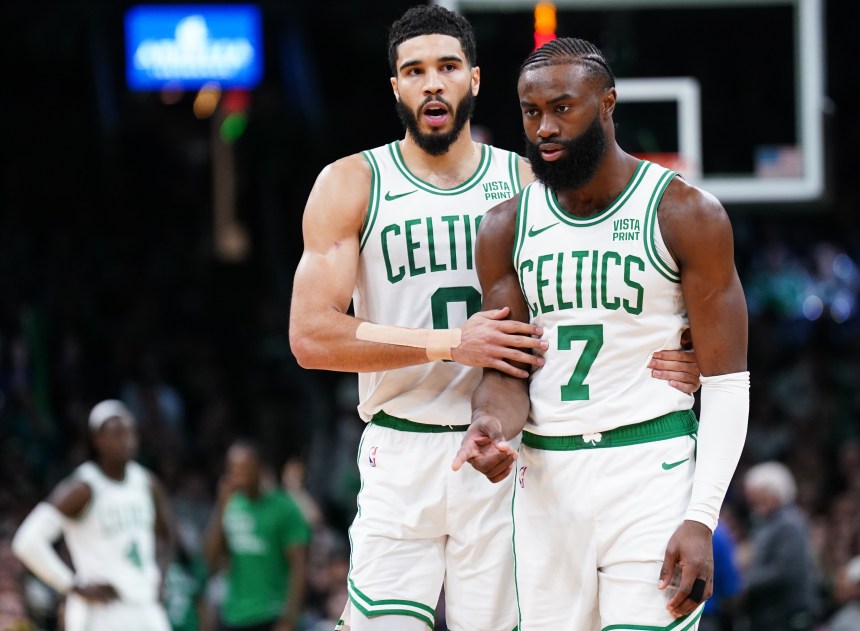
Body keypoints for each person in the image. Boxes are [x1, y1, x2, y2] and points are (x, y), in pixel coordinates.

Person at [288, 7, 700, 631]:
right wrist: (451, 344)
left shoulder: (529, 180)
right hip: (400, 446)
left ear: (475, 80)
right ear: (395, 87)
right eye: (415, 70)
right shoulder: (352, 182)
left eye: (447, 67)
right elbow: (311, 336)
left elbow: (623, 276)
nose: (432, 83)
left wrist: (688, 346)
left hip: (506, 453)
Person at [452, 37, 750, 630]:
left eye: (564, 108)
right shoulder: (504, 226)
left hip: (650, 470)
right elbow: (507, 374)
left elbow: (727, 381)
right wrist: (489, 424)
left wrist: (702, 516)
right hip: (546, 480)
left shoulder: (686, 213)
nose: (544, 128)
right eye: (532, 112)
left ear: (607, 103)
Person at [12, 399, 175, 631]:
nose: (126, 440)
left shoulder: (146, 483)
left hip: (145, 605)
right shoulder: (83, 488)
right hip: (103, 611)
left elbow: (166, 534)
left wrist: (160, 573)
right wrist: (71, 585)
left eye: (130, 432)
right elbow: (27, 541)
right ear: (97, 439)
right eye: (117, 433)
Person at [204, 441, 310, 631]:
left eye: (245, 471)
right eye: (234, 472)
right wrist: (220, 508)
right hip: (234, 614)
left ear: (260, 469)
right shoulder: (229, 506)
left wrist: (289, 619)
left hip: (271, 614)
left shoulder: (285, 508)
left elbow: (299, 568)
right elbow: (210, 561)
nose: (239, 478)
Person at [739, 462, 821, 631]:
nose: (752, 503)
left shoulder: (789, 524)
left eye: (757, 496)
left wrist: (743, 583)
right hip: (770, 615)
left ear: (774, 494)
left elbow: (785, 570)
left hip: (788, 615)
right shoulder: (766, 523)